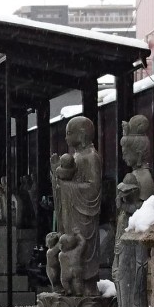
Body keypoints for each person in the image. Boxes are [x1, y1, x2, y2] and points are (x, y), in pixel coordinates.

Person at [49, 115, 102, 295]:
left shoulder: (90, 157)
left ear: (82, 133)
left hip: (83, 214)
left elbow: (93, 189)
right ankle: (68, 287)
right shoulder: (76, 156)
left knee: (82, 249)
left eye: (69, 133)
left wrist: (66, 186)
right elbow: (65, 181)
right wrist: (57, 177)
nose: (66, 138)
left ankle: (86, 286)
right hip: (71, 212)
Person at [113, 115, 154, 307]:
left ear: (137, 153)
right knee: (121, 273)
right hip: (126, 232)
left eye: (126, 152)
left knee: (133, 274)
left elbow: (144, 210)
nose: (123, 156)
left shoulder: (144, 178)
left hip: (135, 234)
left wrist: (125, 206)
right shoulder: (134, 175)